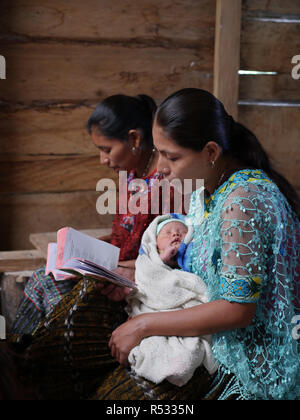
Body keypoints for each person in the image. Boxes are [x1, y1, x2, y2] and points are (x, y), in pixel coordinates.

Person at [13, 88, 299, 400]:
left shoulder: (242, 203)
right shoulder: (206, 190)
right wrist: (136, 272)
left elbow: (238, 310)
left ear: (211, 151)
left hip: (238, 353)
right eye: (159, 152)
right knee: (76, 318)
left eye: (171, 156)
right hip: (195, 314)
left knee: (114, 394)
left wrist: (144, 326)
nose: (160, 167)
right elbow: (190, 261)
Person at [11, 93, 164, 336]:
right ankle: (19, 358)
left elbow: (164, 257)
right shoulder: (133, 172)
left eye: (106, 149)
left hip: (136, 284)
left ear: (134, 138)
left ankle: (35, 360)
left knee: (53, 293)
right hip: (113, 271)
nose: (102, 159)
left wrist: (109, 266)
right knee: (44, 276)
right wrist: (76, 252)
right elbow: (122, 235)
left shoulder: (166, 181)